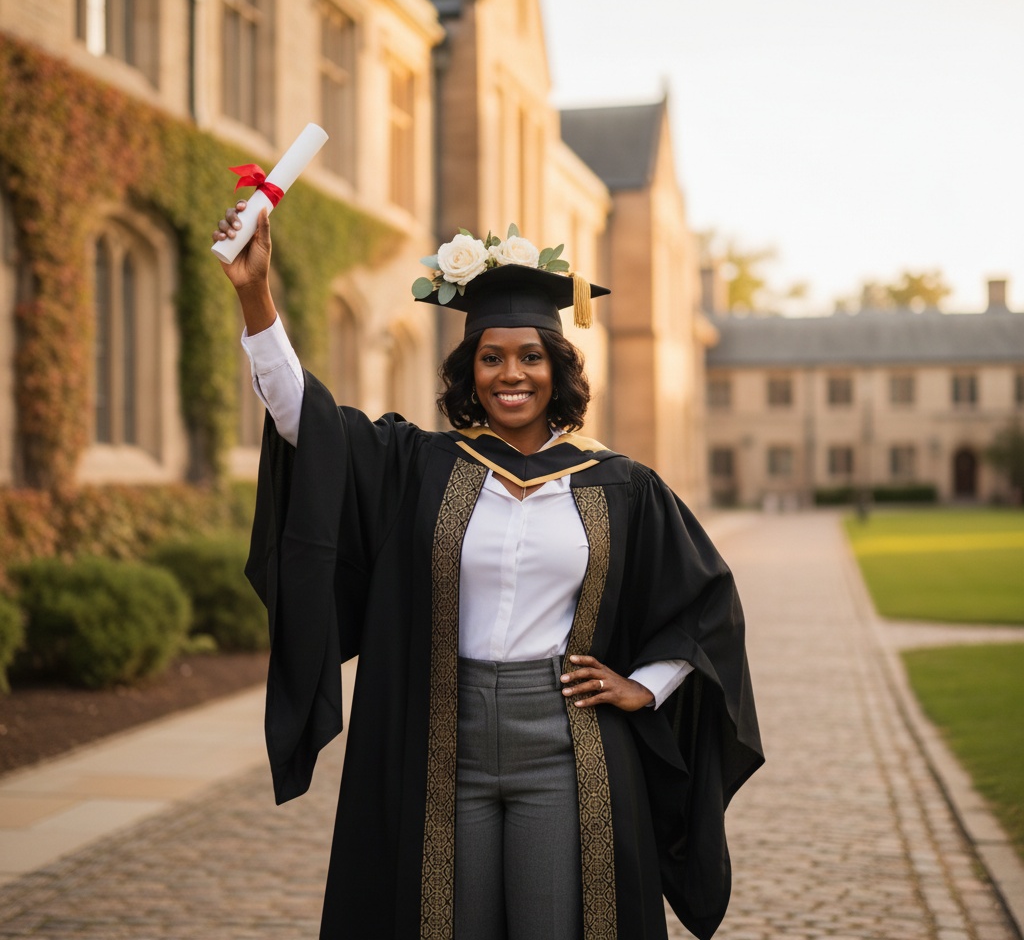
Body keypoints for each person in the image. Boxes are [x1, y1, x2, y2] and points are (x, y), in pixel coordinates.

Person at [213, 201, 763, 940]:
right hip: (444, 734)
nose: (512, 374)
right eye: (491, 357)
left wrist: (647, 685)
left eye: (531, 356)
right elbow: (303, 420)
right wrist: (255, 295)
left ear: (557, 368)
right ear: (469, 371)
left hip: (566, 741)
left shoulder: (618, 484)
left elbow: (706, 603)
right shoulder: (422, 465)